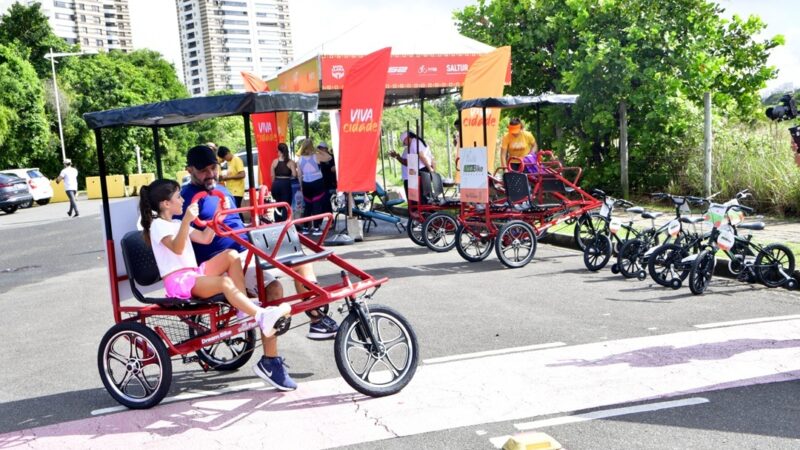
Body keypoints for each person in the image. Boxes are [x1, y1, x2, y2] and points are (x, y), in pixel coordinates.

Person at [180, 145, 338, 390]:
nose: (210, 174)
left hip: (247, 249)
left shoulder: (222, 189)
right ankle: (272, 361)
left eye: (213, 168)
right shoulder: (184, 199)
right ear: (190, 170)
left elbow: (237, 220)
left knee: (297, 253)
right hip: (221, 262)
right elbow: (179, 237)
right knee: (274, 289)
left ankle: (316, 316)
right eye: (203, 171)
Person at [138, 178, 290, 338]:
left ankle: (243, 308)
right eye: (178, 197)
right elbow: (178, 248)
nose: (182, 200)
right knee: (224, 282)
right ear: (166, 204)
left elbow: (205, 238)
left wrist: (218, 214)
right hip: (179, 282)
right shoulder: (157, 225)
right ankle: (261, 316)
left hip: (192, 274)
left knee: (231, 255)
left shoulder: (176, 223)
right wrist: (186, 221)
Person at [297, 139, 331, 234]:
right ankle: (316, 228)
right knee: (317, 205)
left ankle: (305, 228)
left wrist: (301, 186)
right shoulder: (316, 156)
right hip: (317, 183)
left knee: (308, 206)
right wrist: (318, 150)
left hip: (306, 183)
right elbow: (329, 157)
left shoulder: (299, 159)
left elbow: (299, 175)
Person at [388, 131, 434, 200]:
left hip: (418, 172)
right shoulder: (413, 144)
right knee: (418, 198)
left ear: (407, 138)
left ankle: (425, 206)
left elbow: (419, 158)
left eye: (404, 142)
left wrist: (430, 169)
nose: (405, 144)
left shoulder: (414, 143)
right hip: (414, 173)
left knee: (421, 197)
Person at [270, 142, 297, 222]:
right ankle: (285, 223)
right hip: (285, 184)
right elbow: (295, 174)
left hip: (276, 184)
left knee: (277, 205)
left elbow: (272, 176)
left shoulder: (274, 161)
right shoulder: (290, 162)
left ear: (279, 151)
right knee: (286, 205)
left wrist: (273, 186)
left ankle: (277, 223)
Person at [316, 141, 337, 214]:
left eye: (322, 148)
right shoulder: (318, 157)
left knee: (327, 200)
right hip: (321, 182)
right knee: (323, 200)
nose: (321, 150)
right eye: (319, 148)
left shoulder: (331, 157)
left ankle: (329, 215)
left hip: (330, 182)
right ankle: (325, 215)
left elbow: (333, 169)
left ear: (326, 149)